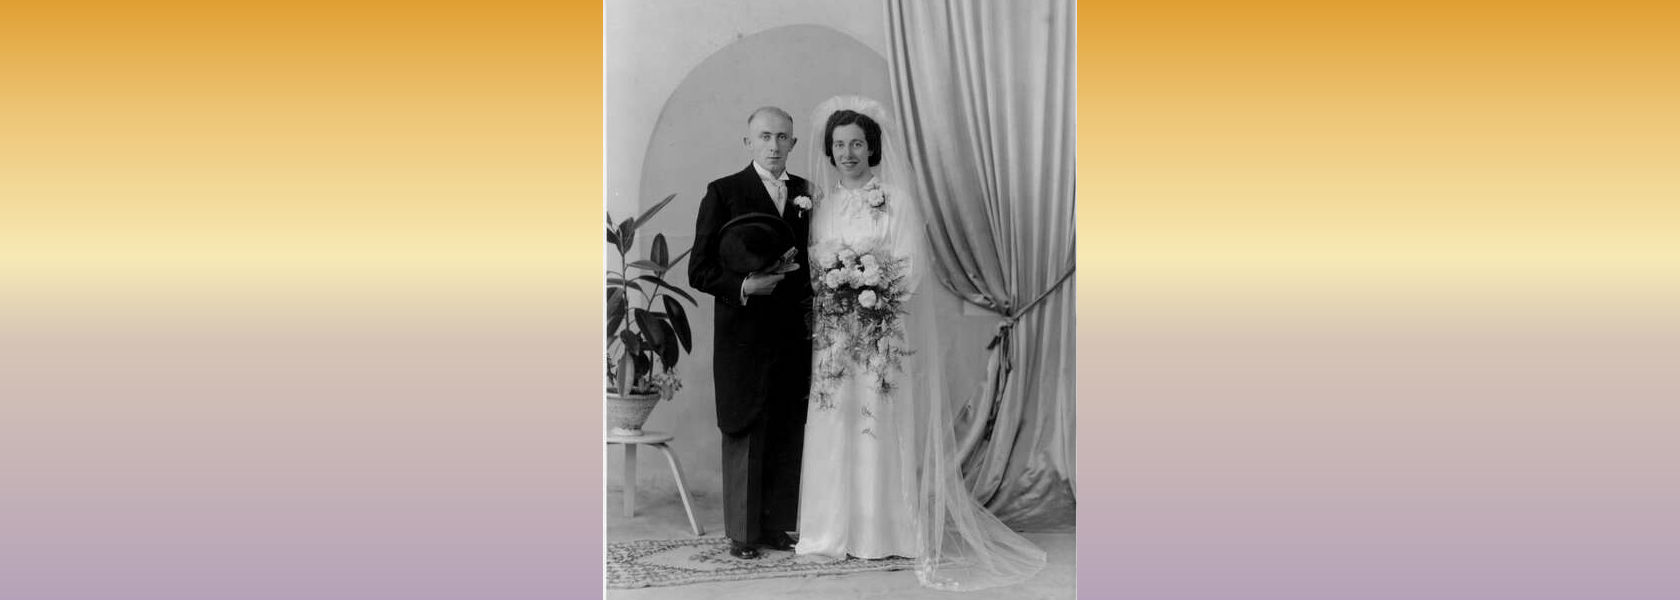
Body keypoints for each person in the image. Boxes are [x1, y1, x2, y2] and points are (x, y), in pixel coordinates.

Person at [795, 96, 1046, 590]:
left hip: (882, 332)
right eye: (840, 145)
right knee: (834, 421)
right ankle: (830, 530)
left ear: (872, 148)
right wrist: (839, 291)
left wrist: (872, 295)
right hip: (836, 336)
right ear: (830, 150)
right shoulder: (823, 205)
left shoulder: (896, 201)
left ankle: (881, 532)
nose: (848, 154)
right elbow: (816, 266)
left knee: (877, 424)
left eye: (857, 144)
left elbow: (909, 264)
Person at [688, 106, 814, 560]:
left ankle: (777, 527)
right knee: (745, 427)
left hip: (792, 336)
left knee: (786, 428)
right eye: (764, 136)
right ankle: (742, 535)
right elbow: (699, 269)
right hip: (743, 338)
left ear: (793, 143)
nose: (774, 146)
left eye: (782, 137)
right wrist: (744, 285)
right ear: (748, 142)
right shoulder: (723, 192)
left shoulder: (806, 193)